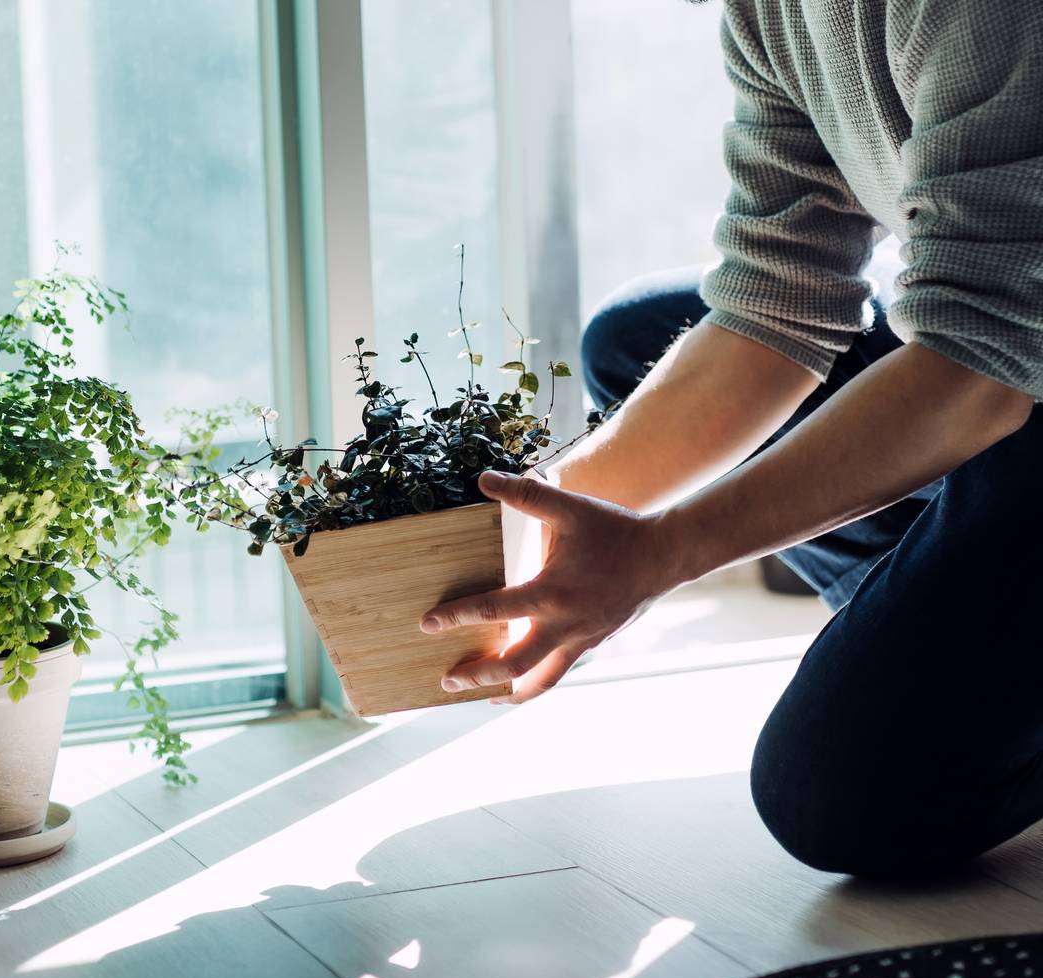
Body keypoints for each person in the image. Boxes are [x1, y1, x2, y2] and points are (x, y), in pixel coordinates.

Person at [418, 0, 1043, 878]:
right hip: (1014, 354)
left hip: (1014, 372)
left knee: (838, 796)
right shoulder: (768, 11)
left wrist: (658, 555)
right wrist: (536, 517)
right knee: (637, 341)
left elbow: (981, 363)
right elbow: (777, 294)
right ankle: (950, 637)